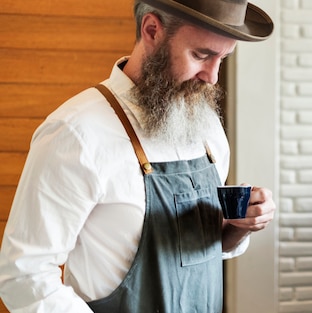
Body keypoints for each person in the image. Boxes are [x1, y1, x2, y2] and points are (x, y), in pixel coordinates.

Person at [0, 0, 276, 311]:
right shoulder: (76, 132)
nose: (212, 77)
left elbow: (197, 250)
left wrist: (238, 228)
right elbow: (25, 277)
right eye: (201, 55)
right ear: (152, 30)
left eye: (222, 59)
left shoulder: (206, 125)